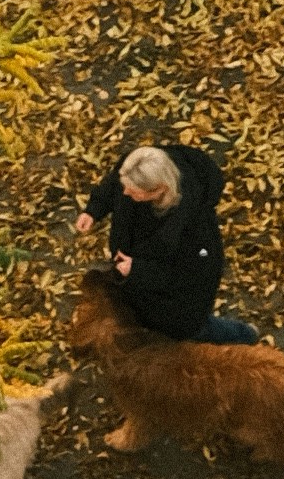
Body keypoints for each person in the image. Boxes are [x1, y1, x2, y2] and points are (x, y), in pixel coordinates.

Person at [89, 136, 236, 343]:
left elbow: (187, 275)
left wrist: (137, 270)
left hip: (175, 306)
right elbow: (114, 184)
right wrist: (94, 210)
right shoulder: (139, 170)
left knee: (198, 332)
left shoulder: (196, 231)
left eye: (133, 191)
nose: (124, 193)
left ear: (159, 190)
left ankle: (244, 336)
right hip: (140, 287)